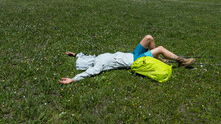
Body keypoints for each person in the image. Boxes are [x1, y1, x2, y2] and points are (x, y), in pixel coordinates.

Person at [59, 35, 195, 84]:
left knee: (149, 38)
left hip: (132, 53)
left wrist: (75, 54)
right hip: (134, 61)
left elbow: (86, 56)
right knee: (159, 48)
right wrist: (74, 79)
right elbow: (90, 73)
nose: (88, 58)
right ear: (88, 65)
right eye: (85, 60)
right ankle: (182, 61)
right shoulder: (98, 65)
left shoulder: (96, 57)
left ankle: (158, 58)